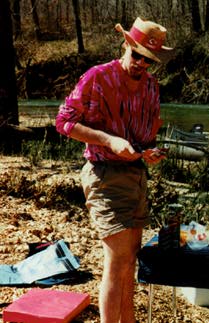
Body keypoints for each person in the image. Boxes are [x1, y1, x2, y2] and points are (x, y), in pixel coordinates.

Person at [55, 17, 173, 323]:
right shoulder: (97, 77)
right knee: (117, 259)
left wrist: (150, 153)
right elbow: (64, 122)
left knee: (129, 261)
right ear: (126, 46)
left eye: (148, 60)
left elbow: (145, 137)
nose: (140, 64)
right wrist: (108, 139)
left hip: (136, 175)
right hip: (104, 174)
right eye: (136, 56)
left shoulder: (151, 87)